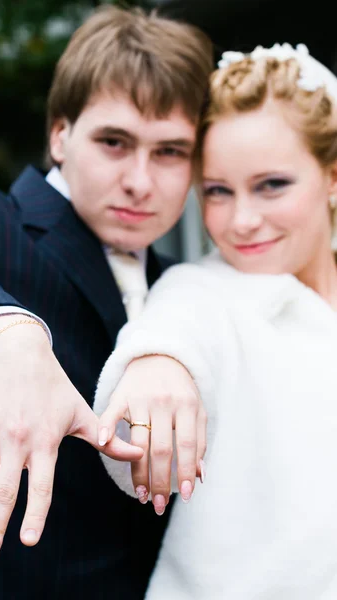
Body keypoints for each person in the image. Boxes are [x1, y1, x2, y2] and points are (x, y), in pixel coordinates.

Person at [0, 6, 213, 599]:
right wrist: (5, 332)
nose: (141, 181)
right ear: (59, 134)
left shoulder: (188, 285)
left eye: (170, 151)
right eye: (115, 142)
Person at [94, 43, 337, 599]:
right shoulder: (198, 291)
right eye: (219, 192)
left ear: (332, 177)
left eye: (271, 184)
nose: (242, 221)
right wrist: (155, 364)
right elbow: (164, 348)